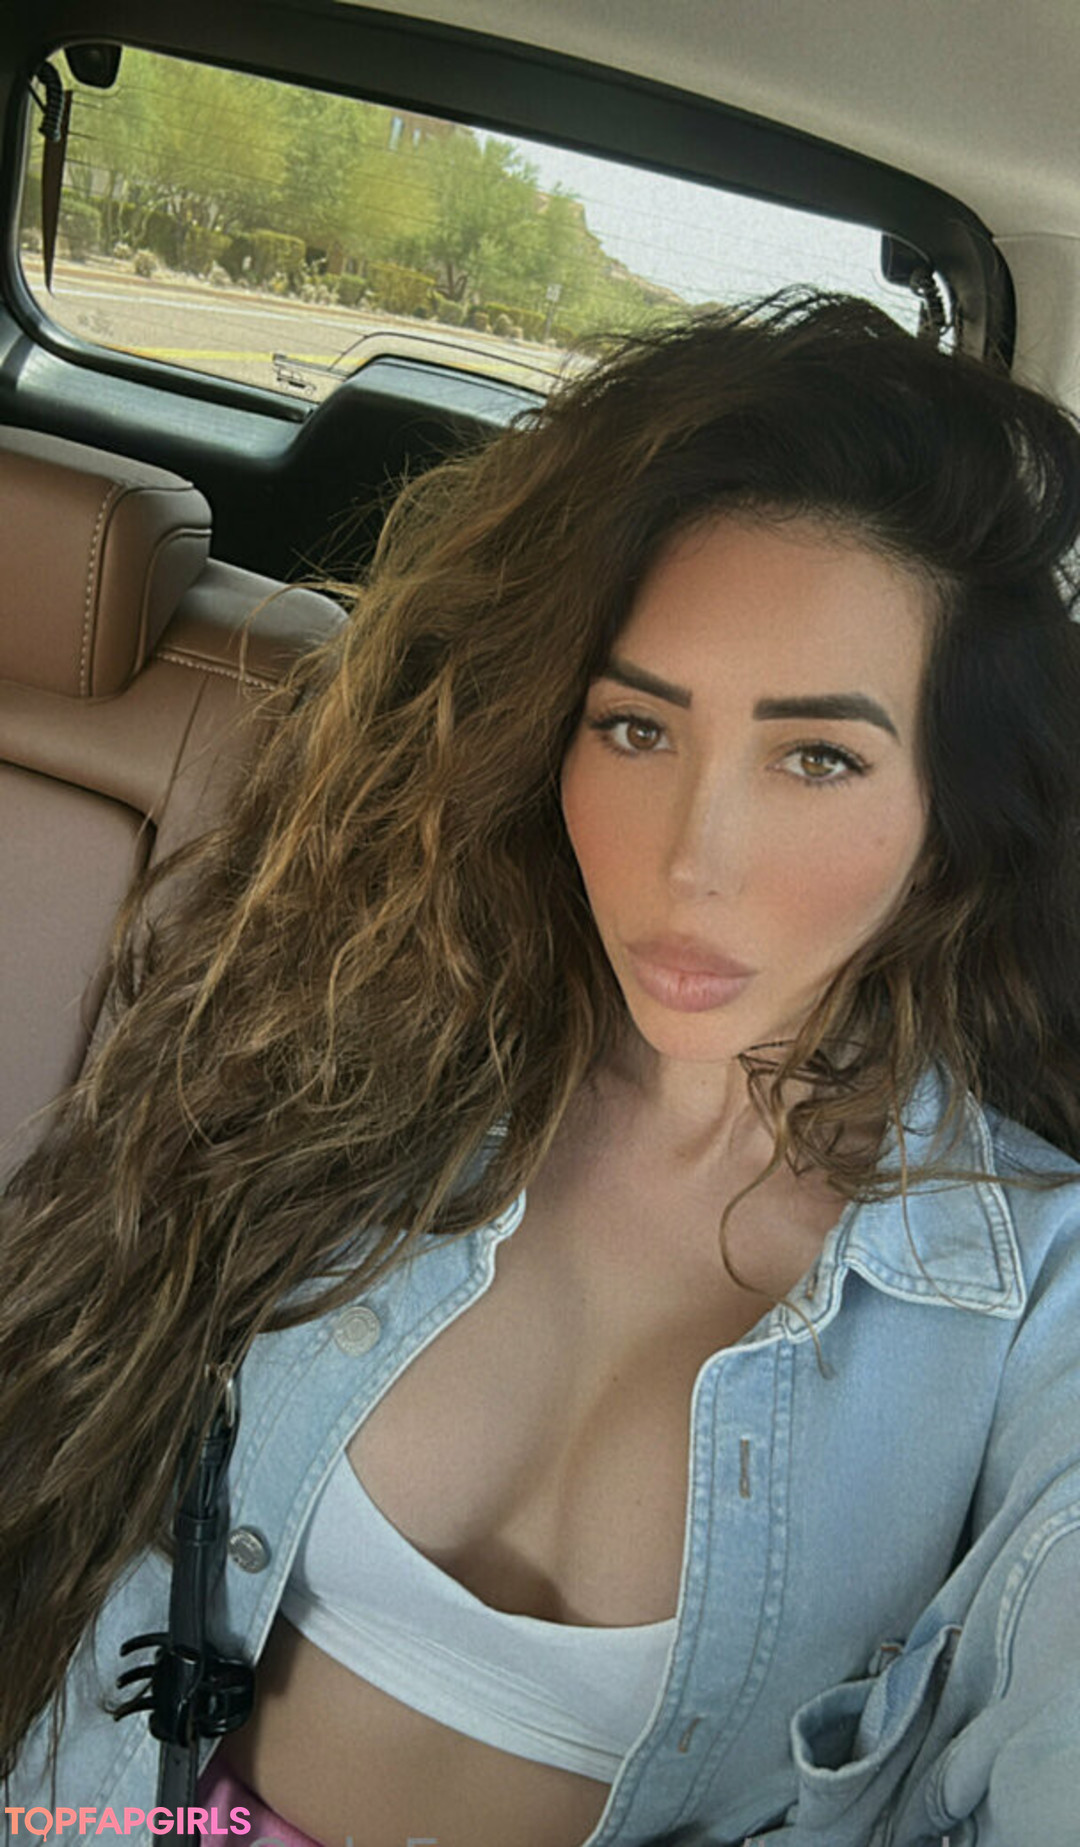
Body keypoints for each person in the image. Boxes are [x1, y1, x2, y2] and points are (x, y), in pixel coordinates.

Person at [3, 290, 1080, 1847]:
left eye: (819, 757)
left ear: (952, 815)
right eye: (636, 730)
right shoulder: (366, 1046)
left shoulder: (1038, 1302)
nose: (692, 860)